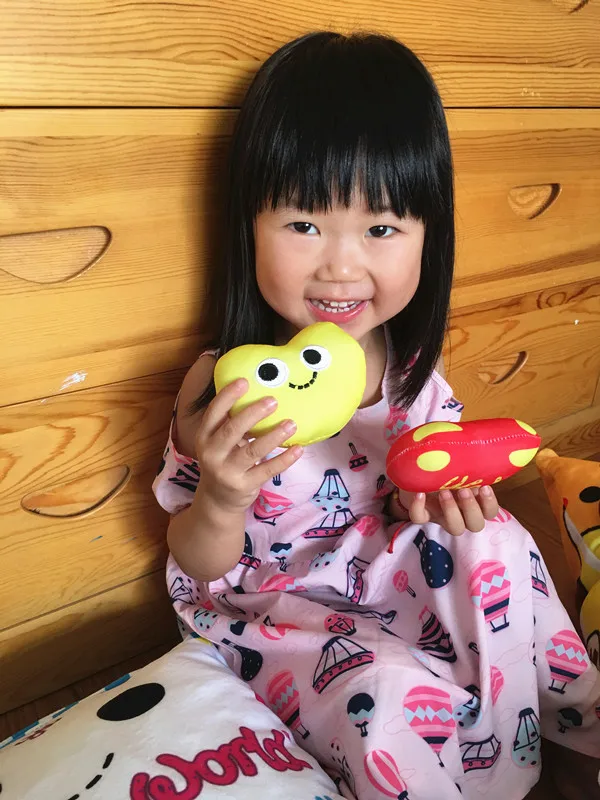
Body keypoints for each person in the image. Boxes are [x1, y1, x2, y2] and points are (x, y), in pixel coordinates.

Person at [153, 31, 599, 799]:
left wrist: (433, 505)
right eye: (303, 225)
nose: (340, 265)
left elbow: (407, 503)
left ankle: (572, 725)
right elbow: (197, 563)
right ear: (247, 225)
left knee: (496, 538)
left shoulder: (409, 364)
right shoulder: (224, 385)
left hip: (380, 567)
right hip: (274, 605)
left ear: (429, 237)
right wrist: (223, 495)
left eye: (382, 229)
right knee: (385, 692)